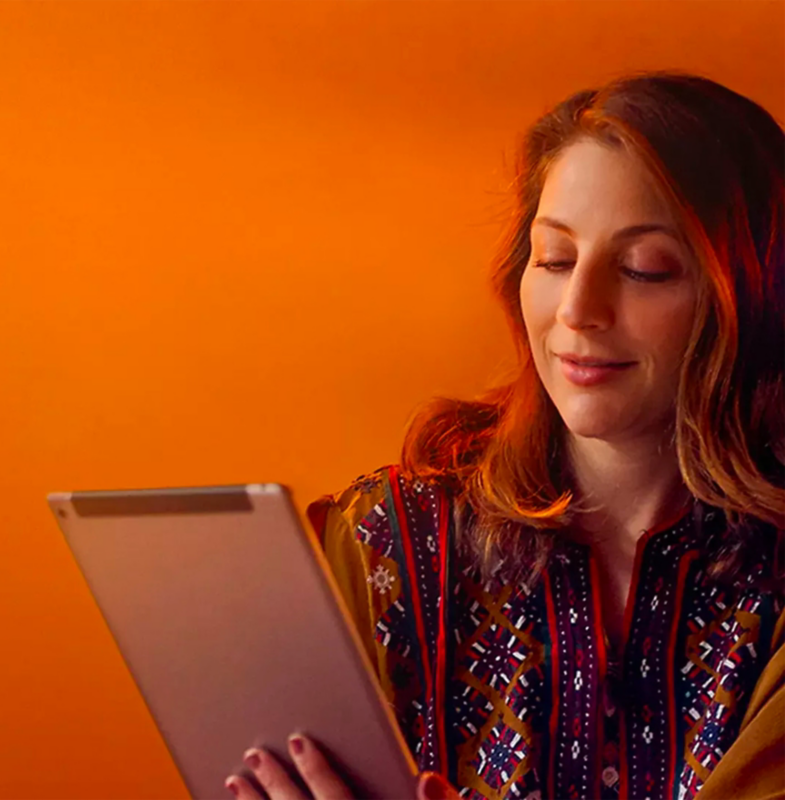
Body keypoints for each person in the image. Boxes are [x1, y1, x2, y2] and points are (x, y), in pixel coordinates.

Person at [225, 71, 785, 800]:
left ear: (751, 293)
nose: (577, 309)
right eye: (553, 259)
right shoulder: (381, 544)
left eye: (645, 269)